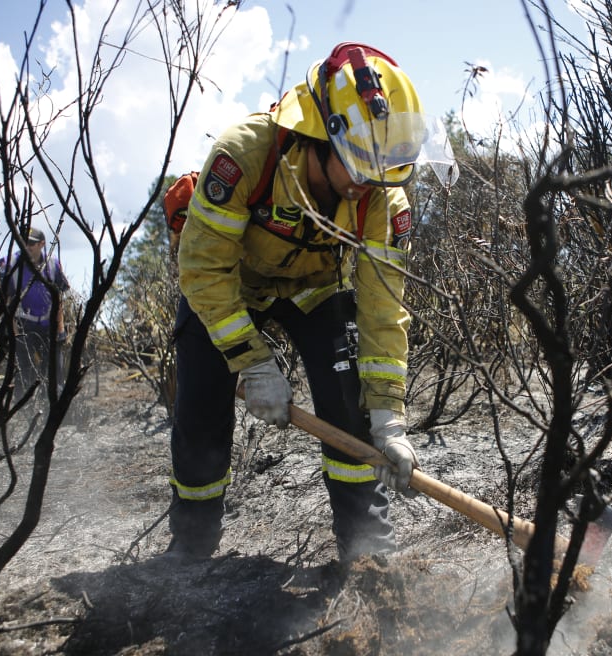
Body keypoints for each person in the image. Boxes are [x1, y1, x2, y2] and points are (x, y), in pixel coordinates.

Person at [168, 42, 457, 561]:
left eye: (382, 167)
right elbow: (204, 268)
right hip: (230, 287)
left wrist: (389, 415)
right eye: (359, 165)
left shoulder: (378, 195)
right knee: (200, 409)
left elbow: (382, 306)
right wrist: (251, 361)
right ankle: (191, 551)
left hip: (313, 288)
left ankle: (367, 551)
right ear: (319, 135)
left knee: (350, 407)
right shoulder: (247, 155)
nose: (367, 183)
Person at [1, 227, 70, 402]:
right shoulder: (10, 264)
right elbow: (6, 301)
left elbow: (58, 298)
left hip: (48, 324)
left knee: (55, 371)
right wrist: (15, 335)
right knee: (24, 371)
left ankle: (55, 409)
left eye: (31, 243)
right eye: (24, 242)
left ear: (41, 244)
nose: (27, 246)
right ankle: (21, 410)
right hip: (22, 324)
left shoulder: (53, 264)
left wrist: (60, 329)